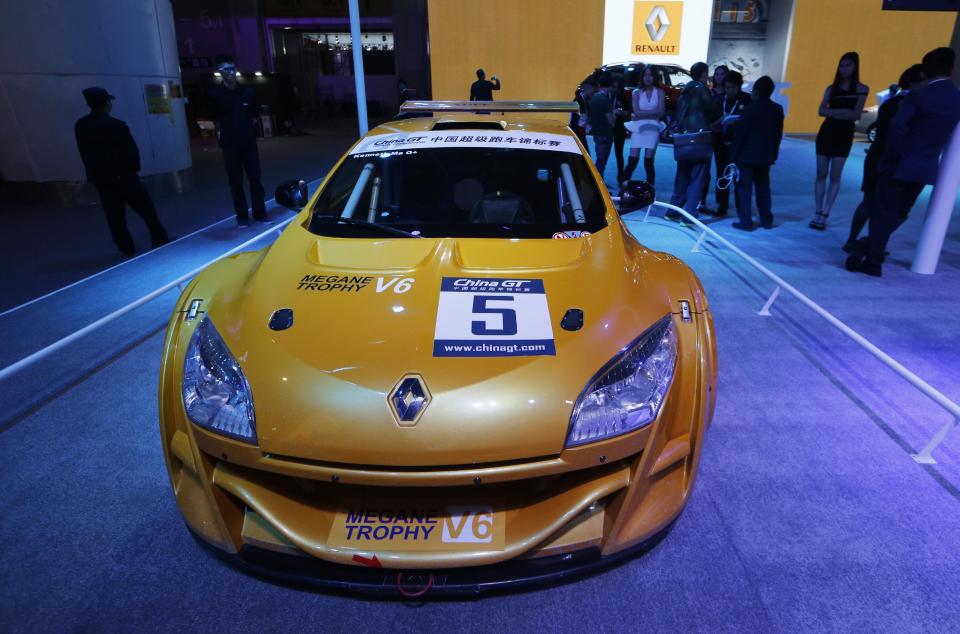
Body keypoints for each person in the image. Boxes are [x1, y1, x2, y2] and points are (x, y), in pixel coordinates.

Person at [847, 47, 960, 277]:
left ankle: (872, 259)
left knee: (882, 213)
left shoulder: (918, 96)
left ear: (925, 71)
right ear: (951, 69)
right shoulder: (956, 99)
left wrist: (892, 157)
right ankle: (870, 249)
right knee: (900, 213)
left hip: (899, 164)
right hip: (925, 167)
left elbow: (898, 126)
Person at [74, 87, 171, 256]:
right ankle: (159, 237)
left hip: (101, 179)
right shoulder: (116, 125)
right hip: (125, 177)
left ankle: (125, 247)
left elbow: (84, 153)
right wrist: (133, 170)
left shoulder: (81, 126)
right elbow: (131, 152)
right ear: (106, 103)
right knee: (146, 209)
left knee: (114, 216)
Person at [843, 64, 924, 252]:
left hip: (876, 156)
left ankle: (854, 241)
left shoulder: (890, 103)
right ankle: (873, 241)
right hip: (891, 160)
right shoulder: (909, 105)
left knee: (869, 202)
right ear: (915, 81)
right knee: (890, 207)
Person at [810, 52, 869, 230]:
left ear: (855, 66)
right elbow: (821, 111)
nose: (844, 69)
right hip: (827, 131)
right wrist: (843, 112)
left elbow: (856, 115)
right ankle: (817, 210)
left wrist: (834, 112)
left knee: (835, 175)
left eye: (848, 65)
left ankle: (826, 213)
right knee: (821, 173)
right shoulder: (831, 88)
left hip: (844, 133)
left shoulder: (862, 88)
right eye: (842, 65)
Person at [209, 57, 268, 227]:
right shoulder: (216, 95)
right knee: (235, 182)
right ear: (220, 73)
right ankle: (242, 216)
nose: (230, 72)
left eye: (232, 68)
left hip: (249, 143)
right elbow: (215, 120)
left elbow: (255, 114)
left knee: (255, 179)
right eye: (226, 69)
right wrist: (221, 135)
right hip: (230, 144)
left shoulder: (247, 92)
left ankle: (260, 213)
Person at [729, 76, 784, 231]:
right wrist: (774, 154)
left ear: (757, 92)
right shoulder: (777, 109)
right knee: (763, 188)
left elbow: (741, 135)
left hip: (746, 156)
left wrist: (733, 156)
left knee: (744, 189)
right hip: (765, 155)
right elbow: (777, 134)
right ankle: (766, 220)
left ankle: (746, 222)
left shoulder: (749, 109)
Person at [668, 62, 720, 221]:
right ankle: (689, 217)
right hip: (699, 139)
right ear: (704, 74)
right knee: (697, 179)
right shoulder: (702, 90)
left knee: (682, 177)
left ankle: (672, 212)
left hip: (683, 140)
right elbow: (714, 112)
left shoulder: (684, 90)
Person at [710, 70, 751, 217]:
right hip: (720, 143)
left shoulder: (747, 100)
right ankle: (722, 206)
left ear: (739, 87)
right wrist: (721, 122)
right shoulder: (719, 100)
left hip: (739, 144)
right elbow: (711, 124)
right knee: (722, 174)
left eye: (732, 87)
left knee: (739, 176)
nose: (729, 90)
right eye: (727, 87)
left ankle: (742, 208)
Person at [621, 65, 665, 189]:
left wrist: (640, 115)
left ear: (654, 76)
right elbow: (636, 111)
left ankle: (649, 191)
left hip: (653, 129)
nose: (648, 77)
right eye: (645, 75)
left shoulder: (660, 92)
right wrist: (652, 113)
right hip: (638, 129)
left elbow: (661, 112)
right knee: (632, 161)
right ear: (642, 77)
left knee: (649, 162)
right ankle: (623, 189)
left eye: (650, 75)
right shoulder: (636, 92)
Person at [588, 74, 616, 182]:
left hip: (597, 132)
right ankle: (597, 183)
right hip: (606, 133)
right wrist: (614, 115)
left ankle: (598, 182)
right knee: (601, 163)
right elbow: (611, 120)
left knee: (599, 161)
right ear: (610, 85)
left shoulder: (594, 98)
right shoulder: (605, 100)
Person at [611, 76, 631, 183]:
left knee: (619, 153)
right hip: (608, 128)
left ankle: (620, 176)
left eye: (616, 86)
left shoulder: (624, 97)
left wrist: (620, 112)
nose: (615, 88)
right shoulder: (608, 95)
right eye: (613, 86)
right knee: (602, 155)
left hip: (619, 127)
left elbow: (628, 113)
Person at [570, 79, 596, 147]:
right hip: (577, 132)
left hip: (581, 132)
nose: (593, 92)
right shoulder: (578, 100)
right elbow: (574, 120)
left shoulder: (585, 100)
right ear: (587, 88)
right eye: (593, 90)